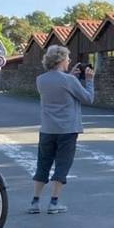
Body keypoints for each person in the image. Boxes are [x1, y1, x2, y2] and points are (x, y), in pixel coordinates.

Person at [30, 44, 96, 215]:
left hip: (47, 129)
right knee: (62, 165)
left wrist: (69, 76)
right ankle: (54, 202)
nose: (70, 61)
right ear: (60, 60)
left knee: (43, 164)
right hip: (67, 130)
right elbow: (88, 98)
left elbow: (58, 85)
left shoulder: (41, 80)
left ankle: (35, 202)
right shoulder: (70, 80)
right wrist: (89, 81)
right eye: (68, 58)